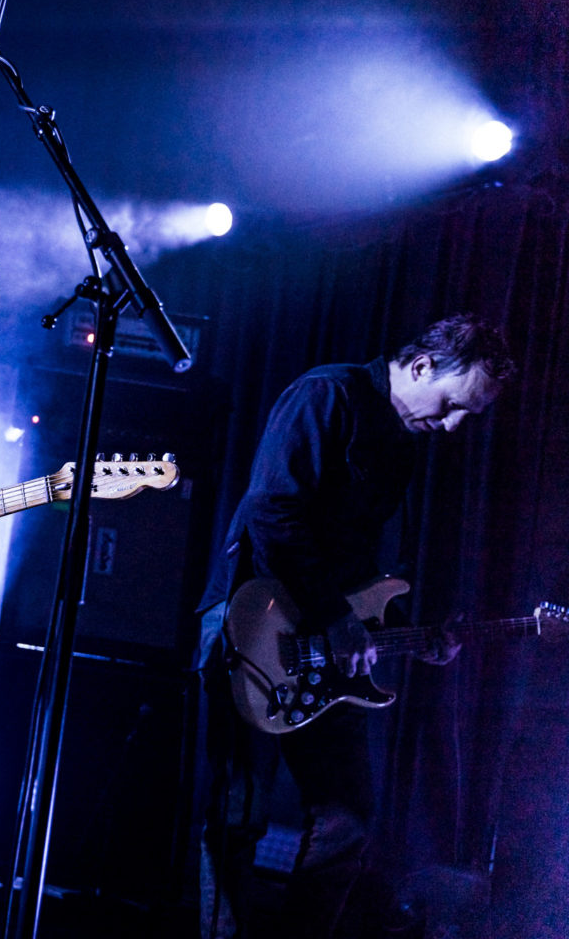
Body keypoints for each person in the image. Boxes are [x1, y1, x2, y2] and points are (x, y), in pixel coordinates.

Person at [196, 313, 517, 938]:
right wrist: (336, 617)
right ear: (422, 367)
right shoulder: (328, 395)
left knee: (347, 819)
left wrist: (405, 629)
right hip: (251, 626)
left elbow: (357, 564)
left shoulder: (399, 444)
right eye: (453, 406)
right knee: (238, 814)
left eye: (467, 418)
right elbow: (274, 511)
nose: (452, 427)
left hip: (327, 642)